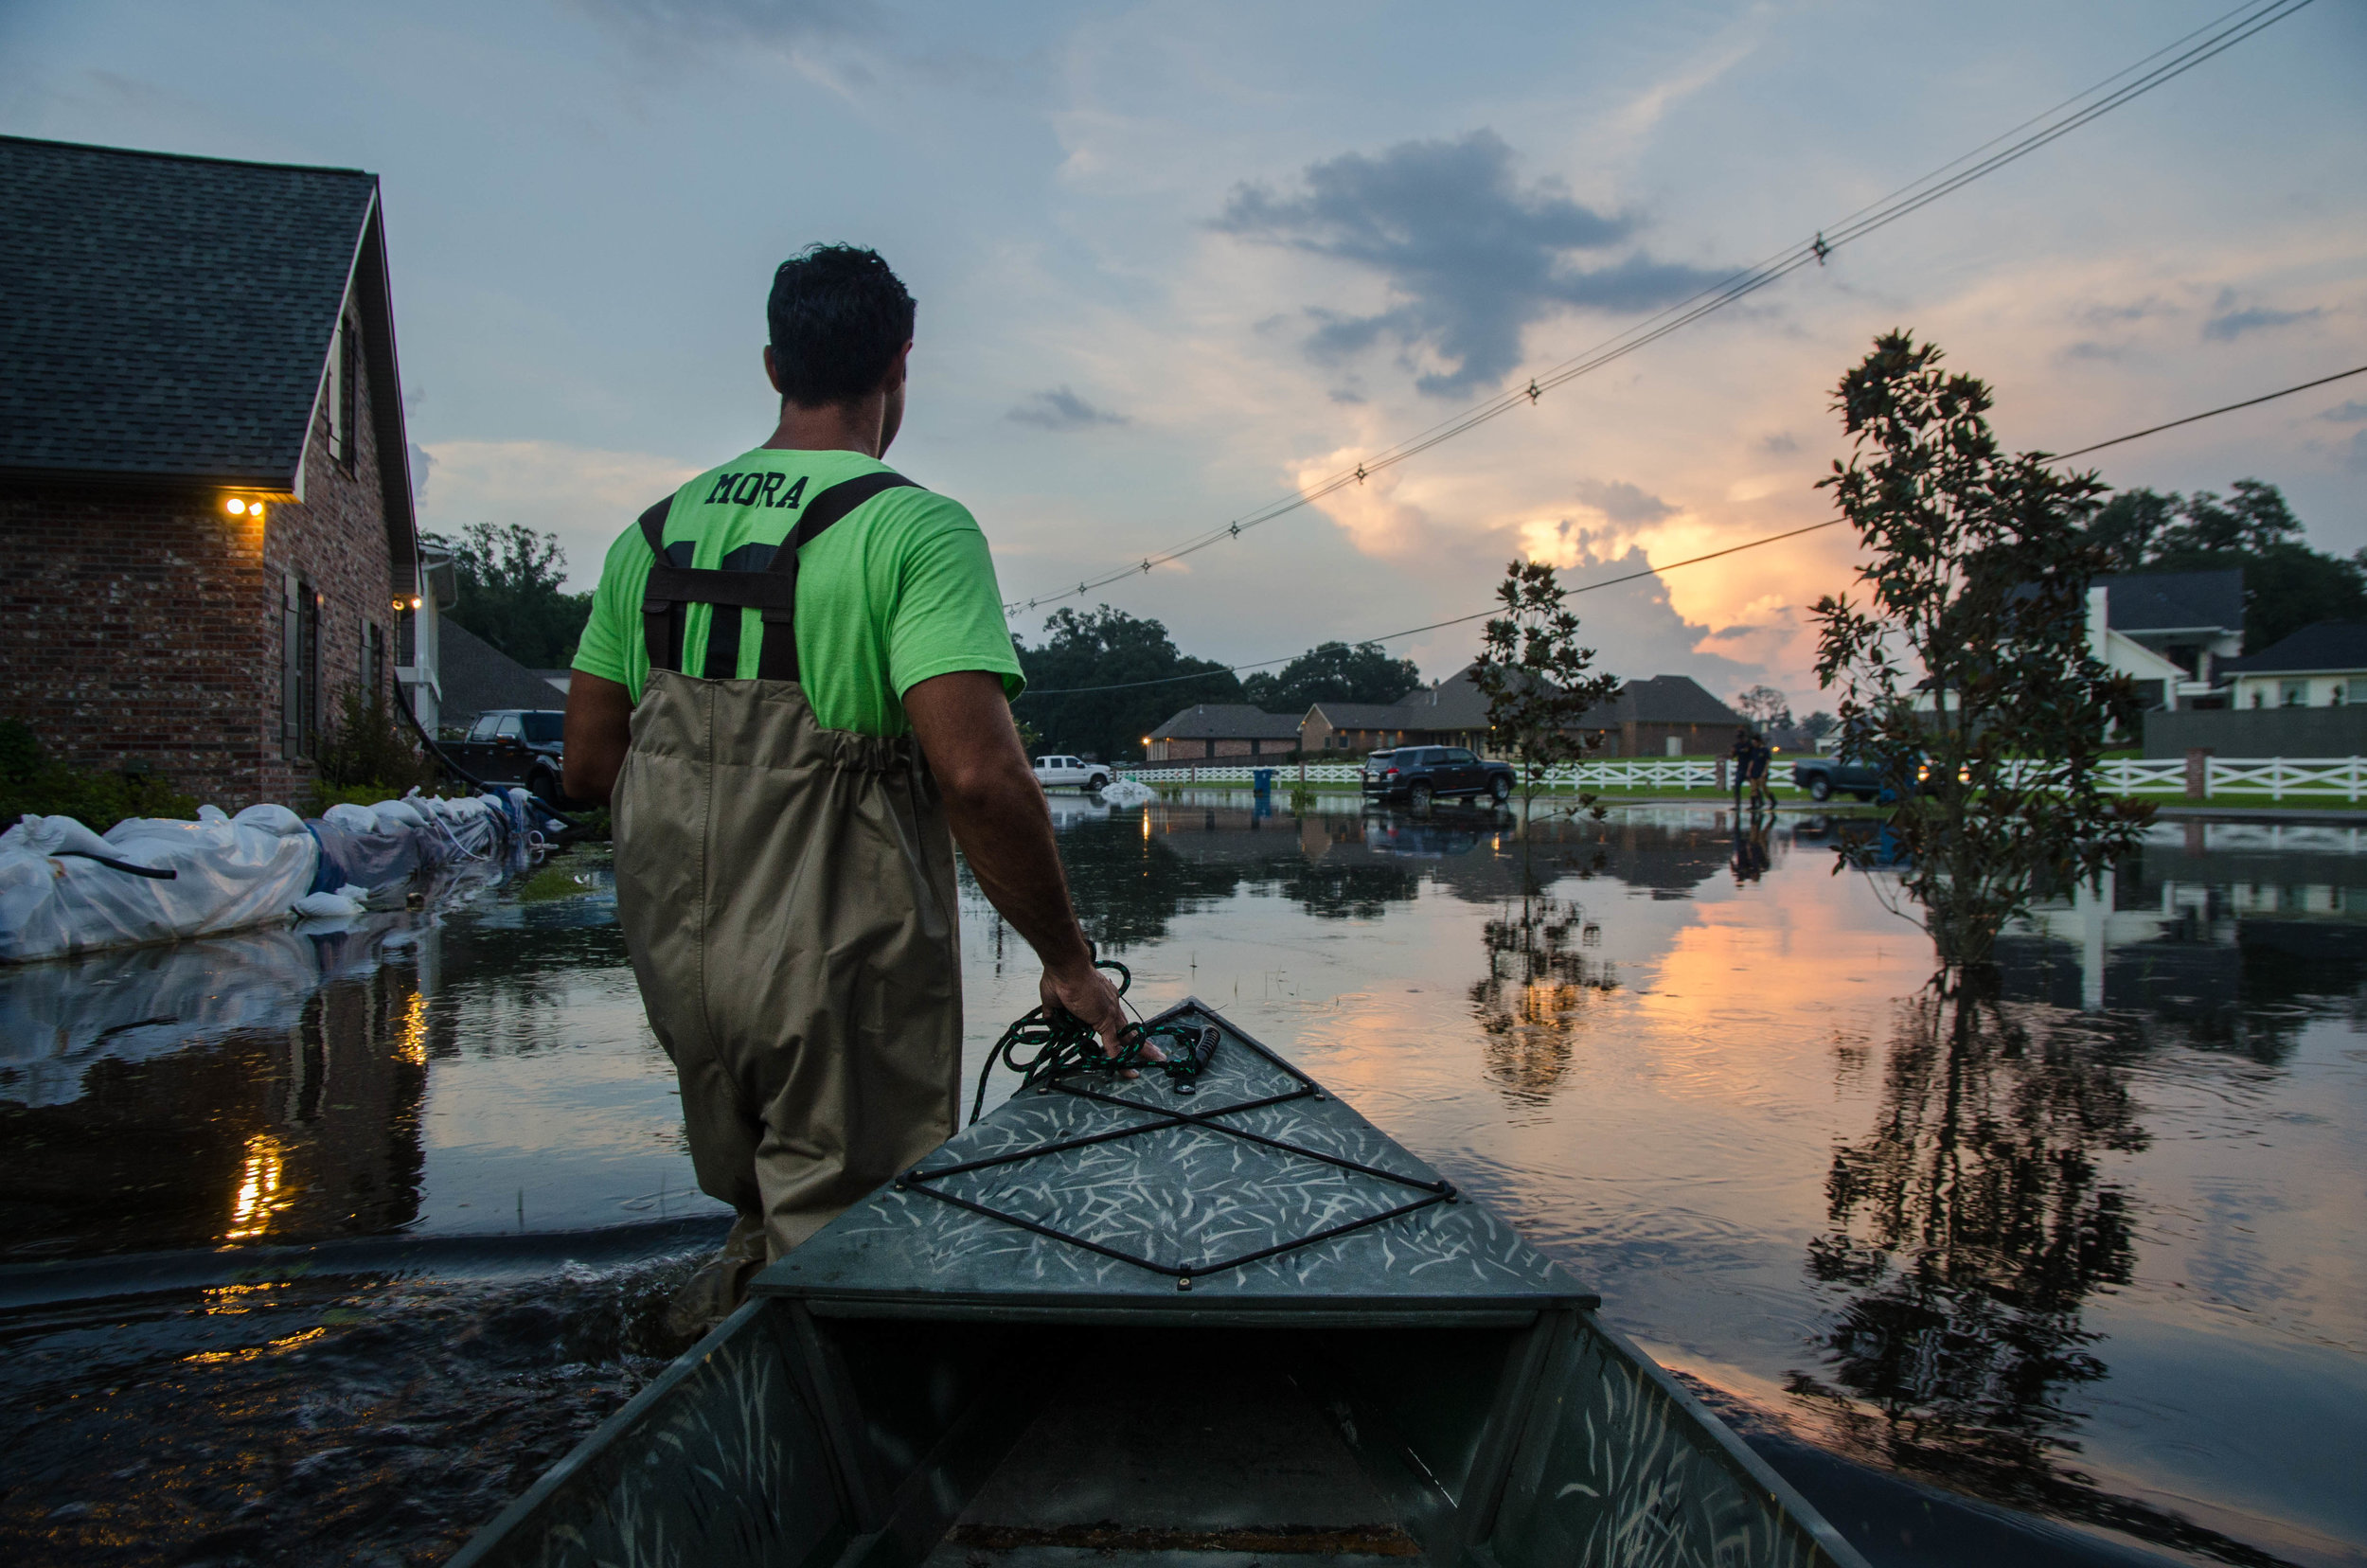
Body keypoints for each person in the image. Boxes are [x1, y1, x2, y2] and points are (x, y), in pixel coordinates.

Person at [562, 244, 1127, 1328]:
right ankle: (816, 1462)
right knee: (848, 1245)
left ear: (774, 364)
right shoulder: (913, 528)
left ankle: (700, 1385)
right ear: (899, 366)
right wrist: (1066, 959)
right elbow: (978, 773)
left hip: (678, 957)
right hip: (833, 955)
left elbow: (590, 769)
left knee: (759, 1209)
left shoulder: (646, 539)